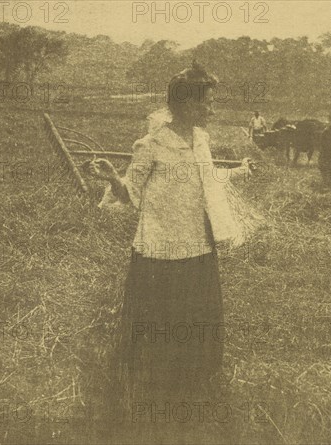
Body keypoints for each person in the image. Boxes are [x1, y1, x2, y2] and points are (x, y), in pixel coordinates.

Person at [87, 61, 252, 440]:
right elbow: (132, 195)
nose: (212, 110)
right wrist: (113, 178)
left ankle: (195, 384)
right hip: (160, 250)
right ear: (188, 105)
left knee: (196, 317)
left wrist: (238, 174)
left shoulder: (201, 140)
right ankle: (152, 390)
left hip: (197, 244)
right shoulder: (150, 145)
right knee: (159, 320)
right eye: (208, 103)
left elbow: (208, 181)